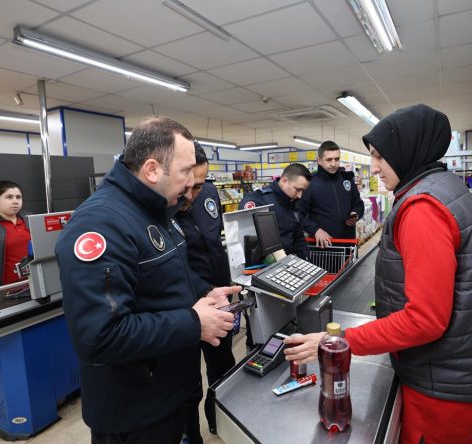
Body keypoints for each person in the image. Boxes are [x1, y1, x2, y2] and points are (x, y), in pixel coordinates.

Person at [284, 105, 472, 444]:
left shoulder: (422, 208)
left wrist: (340, 343)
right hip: (461, 376)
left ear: (405, 151)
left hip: (442, 392)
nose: (373, 168)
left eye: (379, 157)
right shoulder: (446, 187)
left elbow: (426, 320)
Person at [55, 117, 241, 444]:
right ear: (152, 170)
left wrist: (207, 293)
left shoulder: (158, 212)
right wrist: (194, 323)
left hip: (172, 393)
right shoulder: (102, 224)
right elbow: (99, 337)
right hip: (135, 412)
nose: (191, 184)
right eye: (186, 172)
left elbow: (170, 277)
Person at [175, 143, 236, 441]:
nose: (193, 194)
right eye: (190, 185)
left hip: (217, 299)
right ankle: (191, 436)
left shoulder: (209, 193)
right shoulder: (164, 205)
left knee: (223, 367)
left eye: (199, 184)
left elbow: (216, 244)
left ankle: (219, 422)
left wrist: (225, 287)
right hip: (183, 309)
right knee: (186, 383)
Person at [298, 141, 365, 247]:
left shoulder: (347, 180)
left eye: (337, 159)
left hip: (348, 245)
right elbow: (298, 214)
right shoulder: (310, 184)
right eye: (329, 160)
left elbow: (358, 204)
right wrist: (315, 230)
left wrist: (355, 214)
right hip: (323, 248)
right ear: (319, 160)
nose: (333, 164)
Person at [238, 163, 312, 259]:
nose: (300, 196)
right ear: (284, 181)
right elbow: (251, 244)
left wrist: (304, 261)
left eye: (303, 191)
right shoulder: (259, 201)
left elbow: (298, 236)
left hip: (288, 264)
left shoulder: (293, 202)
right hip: (264, 267)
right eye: (297, 190)